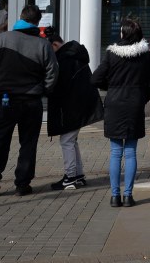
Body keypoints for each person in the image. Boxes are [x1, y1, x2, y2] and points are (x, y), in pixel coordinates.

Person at [0, 4, 59, 196]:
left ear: (20, 17)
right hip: (32, 100)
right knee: (28, 142)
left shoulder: (1, 39)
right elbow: (52, 73)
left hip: (6, 98)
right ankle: (22, 184)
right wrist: (44, 91)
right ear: (37, 22)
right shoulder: (43, 45)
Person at [91, 18, 150, 208]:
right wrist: (141, 96)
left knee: (115, 152)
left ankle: (114, 196)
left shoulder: (111, 54)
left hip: (114, 104)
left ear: (123, 34)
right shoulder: (144, 56)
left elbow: (95, 79)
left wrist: (111, 87)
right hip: (134, 105)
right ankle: (128, 196)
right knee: (130, 152)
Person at [45, 28, 104, 191]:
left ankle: (70, 177)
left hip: (73, 107)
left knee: (66, 141)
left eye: (50, 49)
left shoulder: (64, 59)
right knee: (71, 140)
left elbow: (60, 87)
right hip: (82, 104)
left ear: (55, 44)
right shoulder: (75, 54)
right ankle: (77, 175)